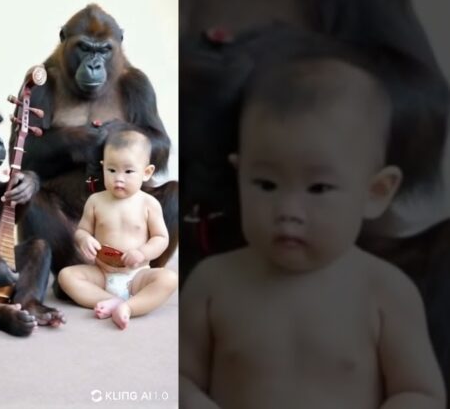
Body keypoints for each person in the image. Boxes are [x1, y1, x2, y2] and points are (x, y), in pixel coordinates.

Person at [179, 55, 446, 408]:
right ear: (239, 175)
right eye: (266, 184)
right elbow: (177, 376)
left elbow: (421, 394)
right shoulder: (212, 283)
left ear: (375, 192)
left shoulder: (385, 291)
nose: (288, 211)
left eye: (318, 188)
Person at [58, 127, 178, 330]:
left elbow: (160, 238)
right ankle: (110, 301)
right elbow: (82, 231)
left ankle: (130, 307)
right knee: (66, 276)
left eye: (129, 171)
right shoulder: (95, 201)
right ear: (103, 167)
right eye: (111, 170)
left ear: (146, 172)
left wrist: (142, 253)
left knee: (169, 279)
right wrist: (85, 239)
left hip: (137, 275)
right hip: (102, 274)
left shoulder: (148, 204)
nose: (118, 178)